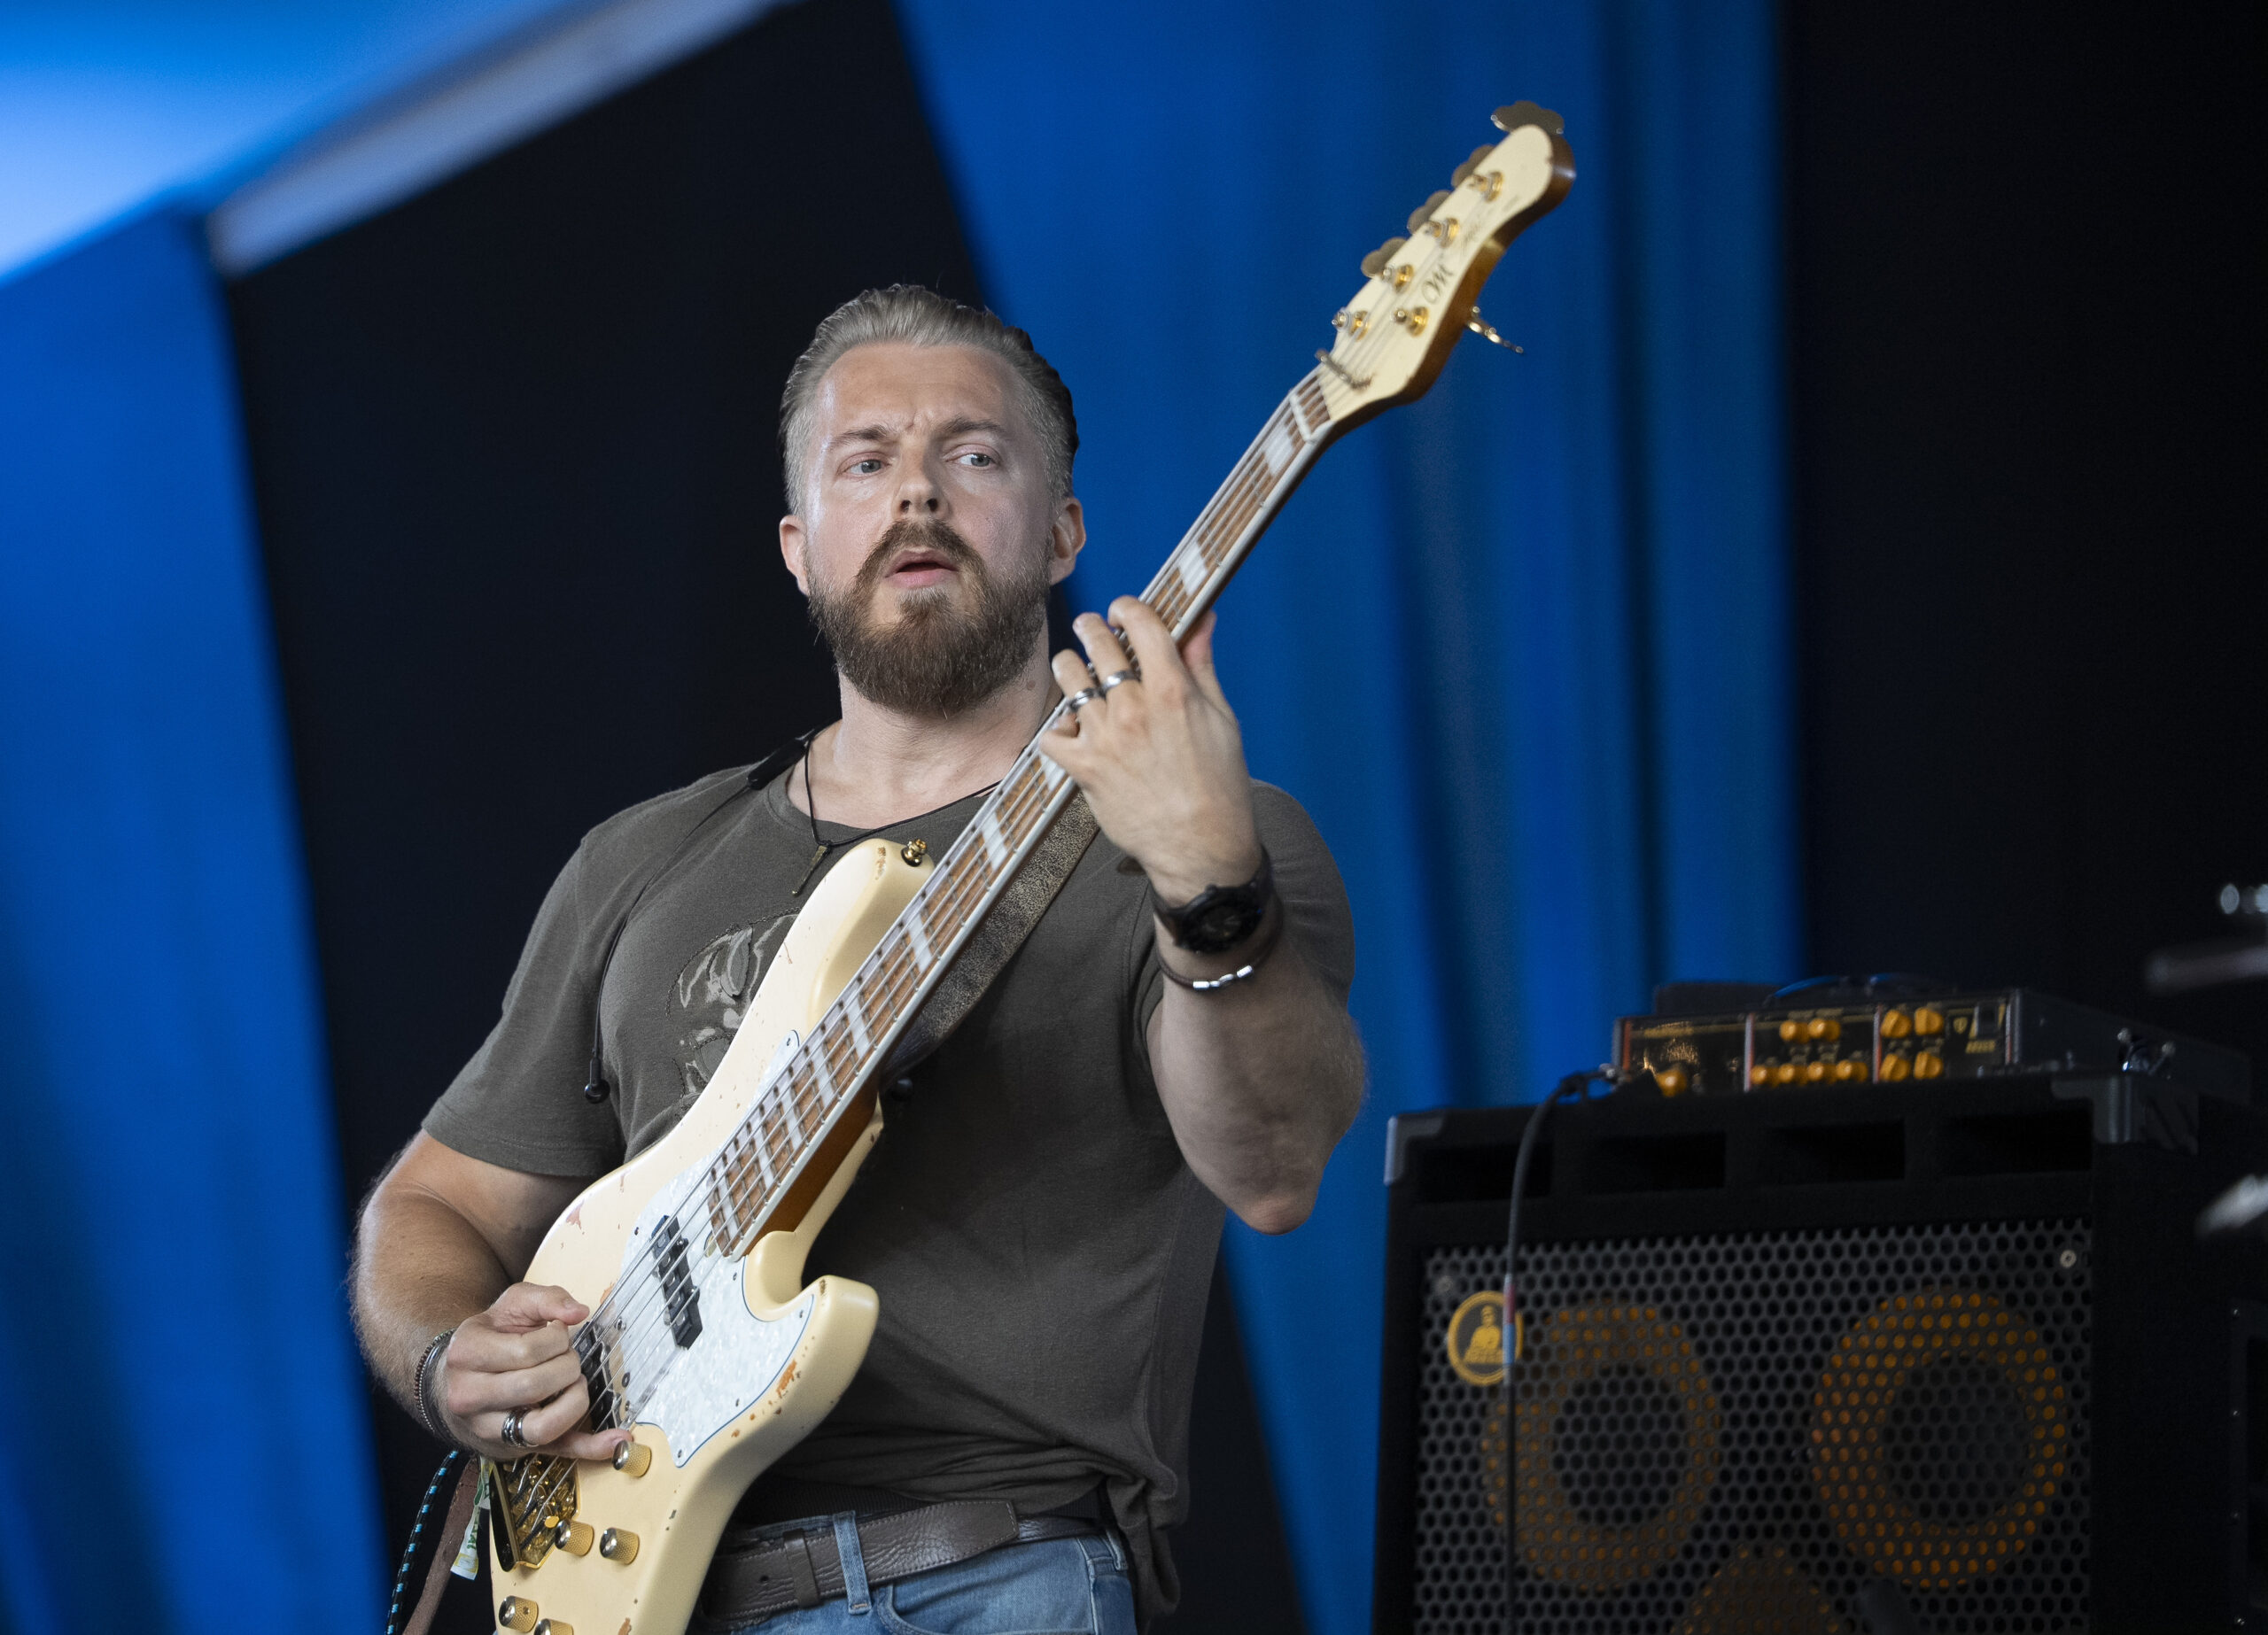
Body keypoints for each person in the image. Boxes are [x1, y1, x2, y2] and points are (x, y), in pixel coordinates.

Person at [353, 285, 1363, 1631]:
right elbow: (434, 1206)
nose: (919, 494)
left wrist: (1207, 886)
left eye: (975, 455)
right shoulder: (642, 861)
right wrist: (448, 1360)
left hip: (984, 1579)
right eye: (866, 462)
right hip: (640, 1584)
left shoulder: (1206, 837)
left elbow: (1276, 1169)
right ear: (798, 546)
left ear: (1064, 530)